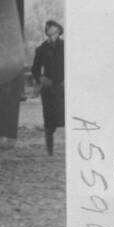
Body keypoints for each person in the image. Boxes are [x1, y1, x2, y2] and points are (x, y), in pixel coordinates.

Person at [31, 19, 65, 154]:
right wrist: (41, 78)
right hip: (49, 89)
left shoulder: (66, 47)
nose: (51, 37)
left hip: (64, 88)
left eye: (54, 34)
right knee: (49, 122)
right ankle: (49, 151)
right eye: (48, 35)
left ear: (59, 32)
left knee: (68, 117)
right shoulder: (41, 49)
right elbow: (35, 69)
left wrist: (67, 80)